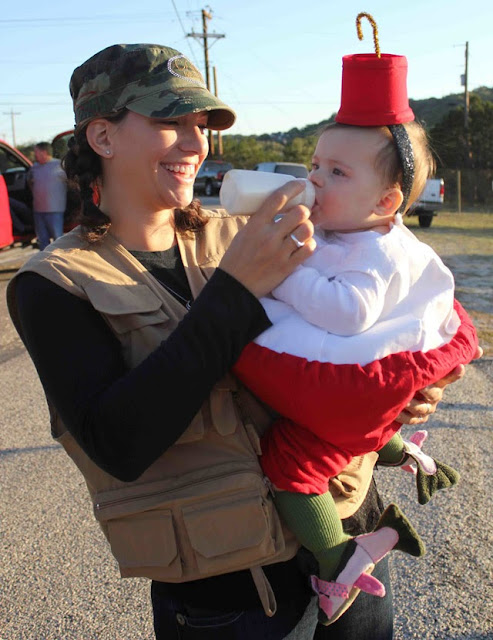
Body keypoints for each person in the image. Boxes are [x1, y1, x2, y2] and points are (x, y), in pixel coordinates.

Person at [6, 43, 479, 640]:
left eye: (200, 125)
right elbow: (118, 445)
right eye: (169, 122)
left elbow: (386, 291)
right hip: (231, 602)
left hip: (350, 541)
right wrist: (233, 292)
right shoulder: (54, 284)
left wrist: (408, 387)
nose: (195, 143)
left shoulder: (248, 231)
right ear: (102, 136)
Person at [232, 51, 479, 625]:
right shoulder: (346, 229)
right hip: (359, 398)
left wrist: (284, 271)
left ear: (386, 202)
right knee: (335, 433)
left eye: (337, 173)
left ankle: (337, 556)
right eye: (315, 165)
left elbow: (350, 313)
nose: (315, 180)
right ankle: (400, 448)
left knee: (291, 463)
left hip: (350, 391)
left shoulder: (375, 251)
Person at [27, 141, 67, 250]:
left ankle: (59, 262)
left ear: (44, 152)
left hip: (55, 210)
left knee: (58, 240)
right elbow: (30, 183)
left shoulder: (59, 165)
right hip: (38, 211)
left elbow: (71, 183)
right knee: (42, 240)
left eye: (36, 152)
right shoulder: (34, 167)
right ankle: (44, 263)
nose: (34, 154)